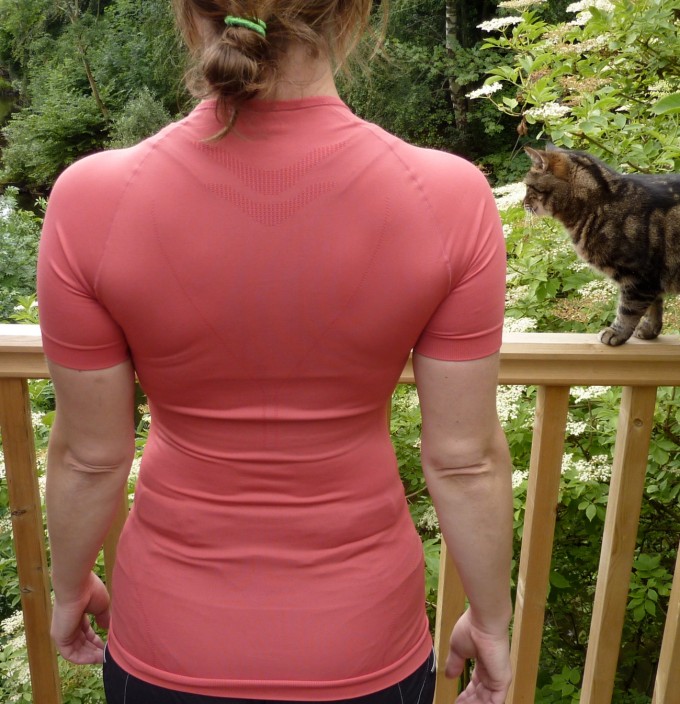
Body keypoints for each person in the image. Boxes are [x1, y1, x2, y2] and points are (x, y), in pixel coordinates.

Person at [37, 1, 514, 703]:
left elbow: (89, 456)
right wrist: (493, 622)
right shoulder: (448, 196)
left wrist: (69, 587)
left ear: (191, 13)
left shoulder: (92, 198)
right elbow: (466, 460)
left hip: (171, 635)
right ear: (354, 15)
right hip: (361, 641)